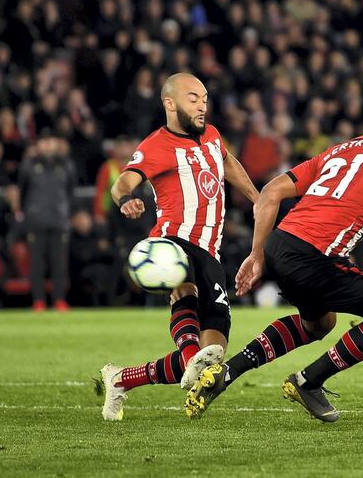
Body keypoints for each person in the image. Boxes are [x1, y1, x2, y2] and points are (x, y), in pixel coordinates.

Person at [183, 91, 363, 422]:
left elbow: (270, 192)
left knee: (320, 323)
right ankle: (308, 381)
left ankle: (228, 372)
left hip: (281, 244)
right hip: (316, 254)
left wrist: (257, 254)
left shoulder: (339, 150)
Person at [99, 73, 260, 421]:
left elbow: (227, 162)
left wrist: (256, 198)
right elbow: (124, 181)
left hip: (211, 250)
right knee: (183, 285)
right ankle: (190, 359)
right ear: (170, 104)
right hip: (174, 240)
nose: (202, 104)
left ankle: (121, 380)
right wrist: (126, 199)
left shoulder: (213, 136)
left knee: (213, 353)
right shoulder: (157, 144)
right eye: (192, 98)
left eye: (204, 97)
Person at [18, 131, 77, 312]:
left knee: (59, 264)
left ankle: (59, 300)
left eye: (50, 140)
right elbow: (23, 191)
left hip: (59, 221)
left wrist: (66, 213)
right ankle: (38, 301)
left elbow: (71, 191)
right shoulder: (29, 164)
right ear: (38, 145)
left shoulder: (65, 164)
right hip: (36, 221)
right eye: (43, 141)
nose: (47, 145)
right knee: (37, 264)